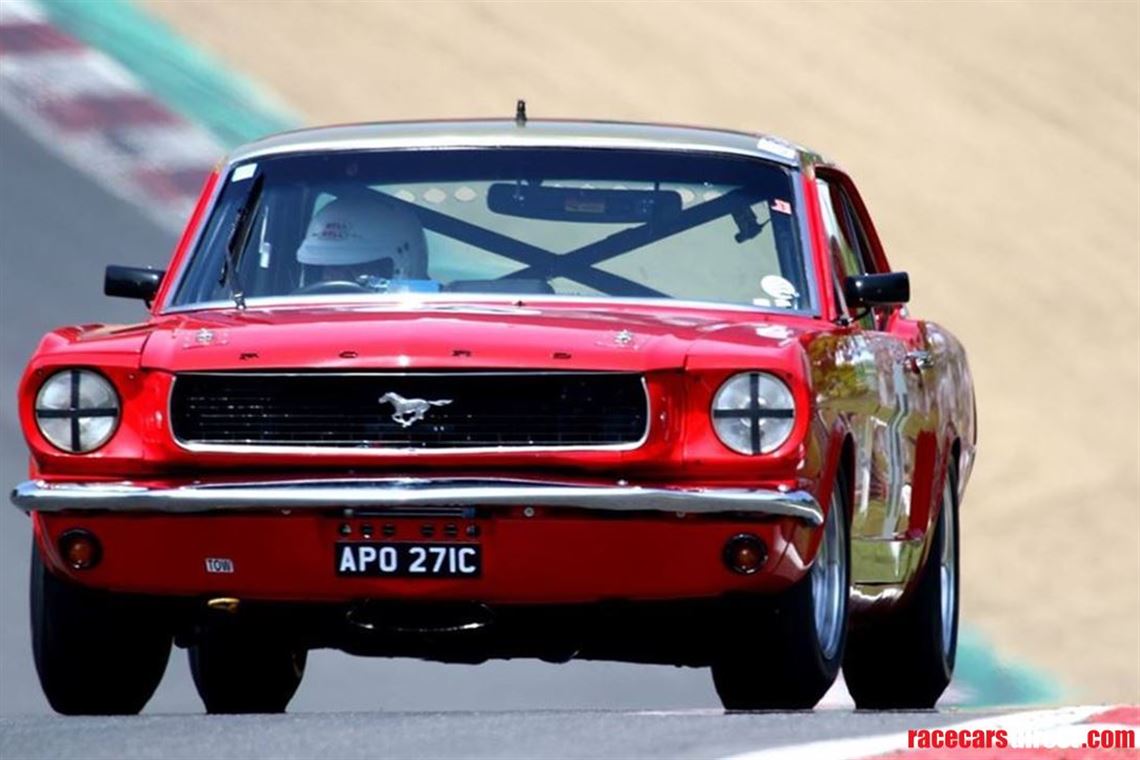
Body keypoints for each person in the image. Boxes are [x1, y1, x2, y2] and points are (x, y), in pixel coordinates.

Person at [295, 192, 428, 290]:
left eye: (357, 268)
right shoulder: (297, 314)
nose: (340, 278)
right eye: (333, 268)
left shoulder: (432, 312)